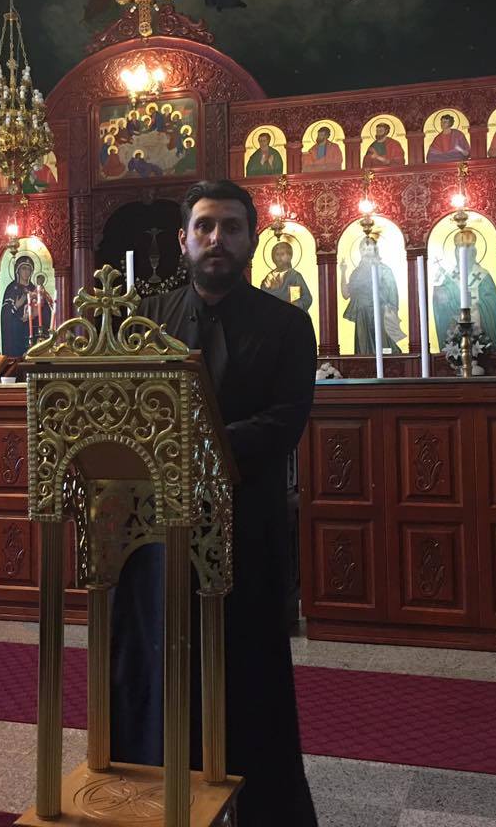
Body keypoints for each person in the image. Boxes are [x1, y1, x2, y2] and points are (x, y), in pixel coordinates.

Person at [113, 180, 319, 827]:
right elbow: (123, 411)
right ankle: (157, 797)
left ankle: (262, 810)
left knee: (249, 671)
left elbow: (284, 421)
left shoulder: (287, 325)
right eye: (204, 227)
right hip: (158, 532)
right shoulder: (144, 323)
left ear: (251, 240)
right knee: (158, 660)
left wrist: (198, 444)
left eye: (230, 227)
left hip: (245, 526)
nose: (216, 239)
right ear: (183, 240)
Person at [340, 238, 404, 353]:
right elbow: (345, 294)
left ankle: (389, 361)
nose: (366, 253)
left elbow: (393, 294)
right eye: (363, 249)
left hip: (380, 313)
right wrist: (343, 272)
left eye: (369, 249)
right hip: (362, 315)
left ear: (375, 251)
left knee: (385, 349)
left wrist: (391, 314)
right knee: (364, 352)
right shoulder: (356, 273)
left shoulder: (385, 270)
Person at [0, 256, 50, 356]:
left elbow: (46, 312)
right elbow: (5, 315)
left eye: (29, 269)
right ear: (17, 271)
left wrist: (38, 310)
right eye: (23, 268)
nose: (26, 272)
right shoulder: (11, 289)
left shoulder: (34, 289)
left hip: (33, 332)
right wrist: (16, 306)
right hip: (16, 335)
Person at [260, 240, 312, 312]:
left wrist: (297, 304)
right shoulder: (269, 277)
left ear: (289, 256)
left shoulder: (294, 276)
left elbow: (307, 298)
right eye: (277, 254)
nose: (279, 258)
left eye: (282, 254)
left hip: (291, 313)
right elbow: (263, 297)